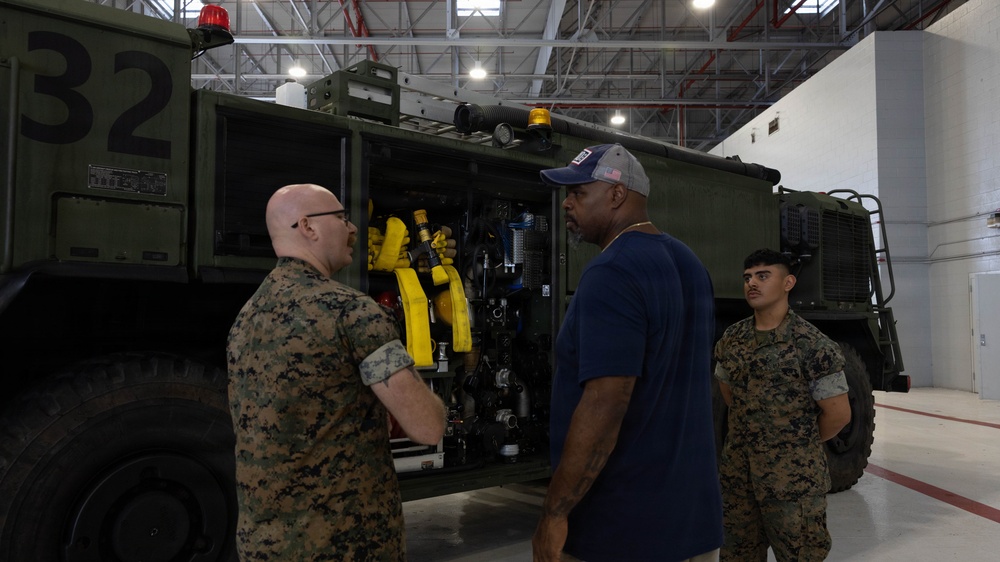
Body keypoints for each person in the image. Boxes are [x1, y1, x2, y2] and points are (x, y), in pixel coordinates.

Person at [226, 183, 446, 561]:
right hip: (345, 544)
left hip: (263, 545)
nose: (353, 228)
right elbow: (427, 426)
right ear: (308, 227)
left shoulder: (247, 317)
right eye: (342, 218)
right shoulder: (349, 312)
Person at [532, 144, 724, 562]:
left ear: (617, 195)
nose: (566, 203)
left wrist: (555, 513)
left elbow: (606, 402)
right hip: (692, 522)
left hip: (625, 530)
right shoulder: (691, 264)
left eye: (579, 192)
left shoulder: (610, 271)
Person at [714, 248, 852, 561]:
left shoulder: (813, 345)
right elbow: (729, 395)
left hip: (794, 486)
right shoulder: (732, 339)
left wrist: (794, 446)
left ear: (788, 283)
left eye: (763, 276)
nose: (752, 283)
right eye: (748, 277)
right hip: (739, 481)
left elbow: (839, 415)